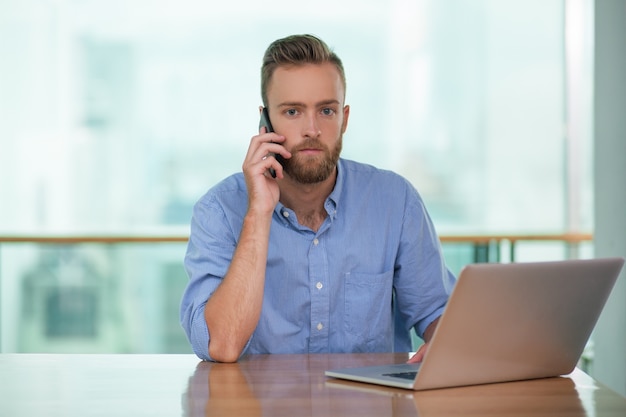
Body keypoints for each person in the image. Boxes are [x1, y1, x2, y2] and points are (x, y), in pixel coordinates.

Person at [180, 34, 456, 363]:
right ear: (265, 121)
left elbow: (438, 313)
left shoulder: (395, 201)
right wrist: (258, 213)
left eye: (326, 110)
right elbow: (221, 345)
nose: (312, 129)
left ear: (345, 119)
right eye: (293, 111)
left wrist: (447, 345)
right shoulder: (219, 211)